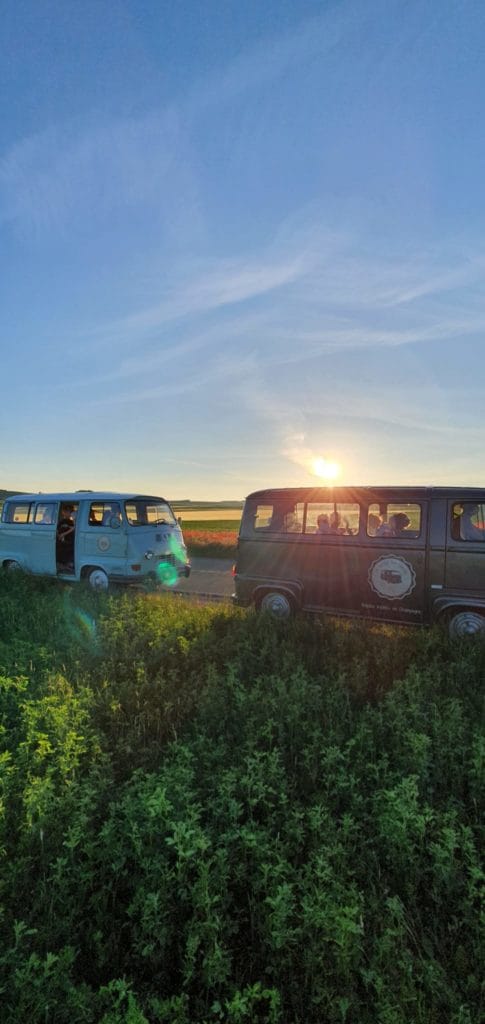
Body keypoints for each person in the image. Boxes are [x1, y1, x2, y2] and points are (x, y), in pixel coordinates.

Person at [56, 504, 76, 568]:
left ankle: (68, 564)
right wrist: (59, 535)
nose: (65, 513)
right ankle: (62, 564)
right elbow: (57, 530)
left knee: (68, 547)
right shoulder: (61, 521)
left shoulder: (72, 521)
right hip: (63, 540)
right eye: (64, 512)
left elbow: (74, 528)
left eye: (68, 512)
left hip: (70, 540)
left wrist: (64, 534)